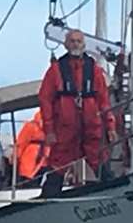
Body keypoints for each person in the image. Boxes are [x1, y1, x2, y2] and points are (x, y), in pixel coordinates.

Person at [38, 28, 116, 184]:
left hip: (91, 124)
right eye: (72, 41)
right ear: (66, 44)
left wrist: (110, 127)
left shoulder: (94, 70)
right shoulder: (55, 70)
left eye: (79, 41)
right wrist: (49, 130)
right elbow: (45, 99)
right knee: (59, 161)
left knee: (99, 157)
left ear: (84, 45)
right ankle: (50, 195)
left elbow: (104, 100)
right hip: (65, 126)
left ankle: (110, 187)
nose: (75, 44)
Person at [14, 110, 50, 183]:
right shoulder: (30, 126)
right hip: (29, 162)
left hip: (44, 162)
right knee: (27, 183)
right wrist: (16, 158)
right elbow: (21, 143)